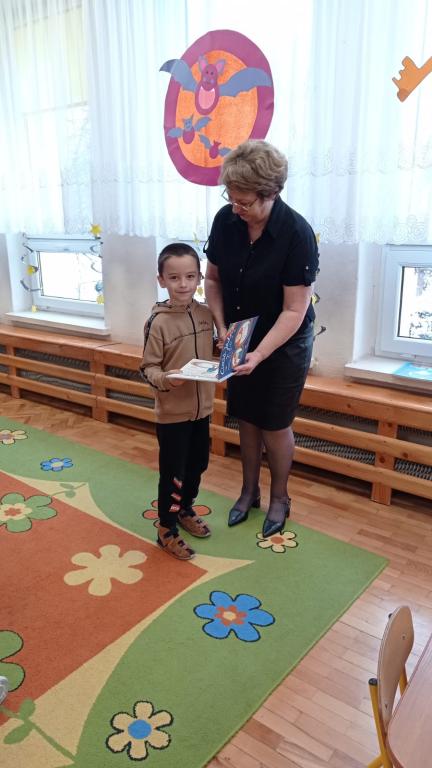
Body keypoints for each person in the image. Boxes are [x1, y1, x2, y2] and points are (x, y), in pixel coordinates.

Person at [204, 140, 319, 538]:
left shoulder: (296, 233)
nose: (236, 208)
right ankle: (248, 491)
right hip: (239, 332)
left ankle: (280, 498)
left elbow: (294, 310)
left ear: (271, 193)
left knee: (274, 422)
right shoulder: (226, 220)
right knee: (246, 416)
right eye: (231, 198)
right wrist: (222, 328)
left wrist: (260, 354)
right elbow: (213, 279)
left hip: (285, 341)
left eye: (245, 202)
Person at [140, 243, 214, 559]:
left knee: (198, 465)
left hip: (202, 409)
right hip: (172, 414)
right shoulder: (158, 323)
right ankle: (166, 528)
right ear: (161, 280)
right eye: (174, 277)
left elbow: (211, 353)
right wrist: (167, 379)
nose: (183, 284)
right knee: (174, 475)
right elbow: (148, 368)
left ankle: (185, 509)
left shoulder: (206, 314)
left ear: (199, 278)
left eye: (190, 276)